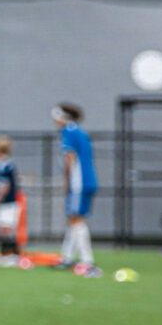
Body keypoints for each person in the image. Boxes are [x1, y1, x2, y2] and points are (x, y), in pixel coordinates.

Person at [54, 102, 99, 274]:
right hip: (87, 180)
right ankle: (67, 257)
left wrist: (67, 180)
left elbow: (70, 158)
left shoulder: (69, 132)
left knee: (77, 220)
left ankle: (87, 260)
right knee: (74, 219)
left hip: (78, 183)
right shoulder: (79, 131)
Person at [0, 135, 21, 264]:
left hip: (9, 202)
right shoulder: (0, 164)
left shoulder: (5, 165)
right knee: (1, 228)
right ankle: (3, 255)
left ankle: (13, 255)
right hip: (6, 202)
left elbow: (5, 185)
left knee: (7, 228)